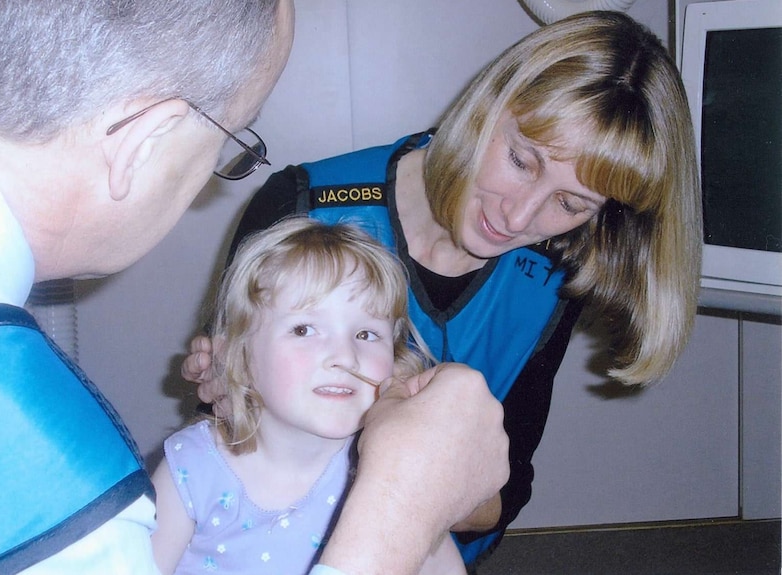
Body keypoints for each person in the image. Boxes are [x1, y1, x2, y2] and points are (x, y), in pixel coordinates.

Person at [0, 2, 511, 575]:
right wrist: (402, 513)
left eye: (365, 332)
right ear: (144, 142)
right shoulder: (56, 506)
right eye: (228, 145)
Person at [183, 9, 703, 568]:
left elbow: (507, 488)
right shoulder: (304, 204)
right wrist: (231, 389)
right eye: (521, 161)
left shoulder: (556, 276)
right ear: (487, 108)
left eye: (571, 203)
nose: (519, 214)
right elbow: (226, 423)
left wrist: (422, 484)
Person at [152, 217, 465, 574]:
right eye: (304, 329)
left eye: (366, 334)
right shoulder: (192, 466)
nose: (345, 357)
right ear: (237, 354)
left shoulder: (391, 470)